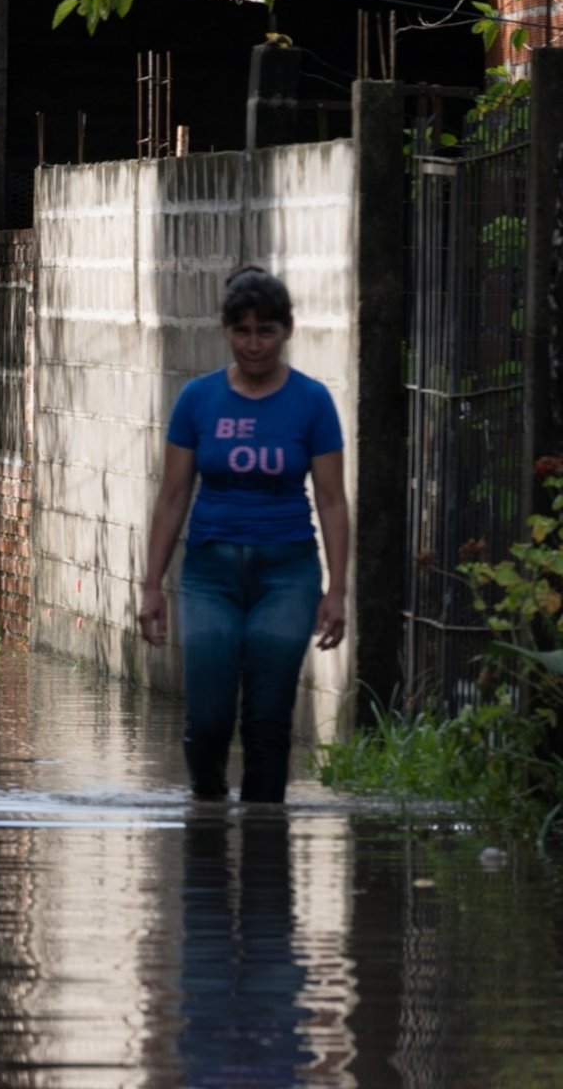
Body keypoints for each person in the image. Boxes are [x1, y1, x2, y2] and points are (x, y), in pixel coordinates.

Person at [138, 266, 349, 804]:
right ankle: (205, 814)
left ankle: (264, 851)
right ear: (225, 330)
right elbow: (172, 495)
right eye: (242, 331)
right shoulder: (197, 400)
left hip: (288, 573)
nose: (254, 344)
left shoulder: (312, 402)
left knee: (267, 716)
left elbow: (330, 498)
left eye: (266, 331)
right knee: (208, 717)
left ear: (287, 330)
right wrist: (152, 585)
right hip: (211, 572)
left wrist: (337, 590)